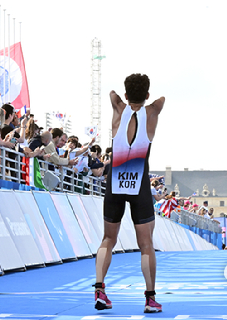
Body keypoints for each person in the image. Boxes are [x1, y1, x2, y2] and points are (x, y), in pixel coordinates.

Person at [94, 73, 165, 313]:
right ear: (146, 95)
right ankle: (150, 298)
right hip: (139, 182)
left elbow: (113, 95)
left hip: (115, 180)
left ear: (125, 95)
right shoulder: (153, 112)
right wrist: (143, 100)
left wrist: (126, 101)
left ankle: (100, 290)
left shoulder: (118, 108)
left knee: (108, 239)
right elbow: (160, 100)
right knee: (146, 244)